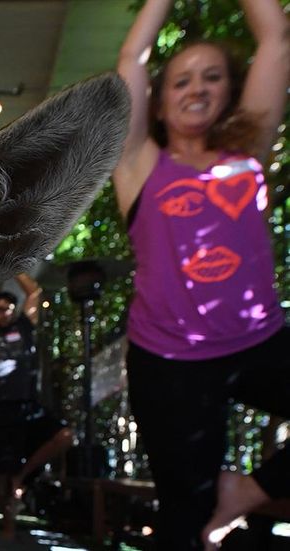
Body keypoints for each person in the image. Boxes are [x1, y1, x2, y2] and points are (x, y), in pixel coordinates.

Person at [114, 1, 289, 548]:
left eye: (213, 77)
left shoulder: (246, 153)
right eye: (182, 80)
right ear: (159, 105)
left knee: (223, 502)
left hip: (259, 343)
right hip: (170, 364)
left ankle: (249, 492)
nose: (198, 87)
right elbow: (131, 59)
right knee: (185, 524)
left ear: (231, 93)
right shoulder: (140, 164)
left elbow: (277, 37)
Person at [0, 276, 73, 539]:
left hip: (26, 406)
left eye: (8, 308)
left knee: (64, 436)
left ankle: (22, 475)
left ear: (14, 310)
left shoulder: (24, 326)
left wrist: (13, 267)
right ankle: (7, 520)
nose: (3, 313)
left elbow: (35, 291)